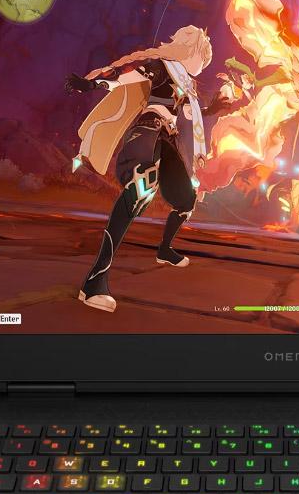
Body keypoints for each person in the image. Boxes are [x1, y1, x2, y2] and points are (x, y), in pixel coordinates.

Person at [65, 25, 232, 312]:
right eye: (203, 59)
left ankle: (164, 250)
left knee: (186, 199)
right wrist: (91, 84)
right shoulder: (161, 67)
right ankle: (94, 281)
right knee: (140, 189)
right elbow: (125, 78)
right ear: (191, 51)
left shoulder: (186, 84)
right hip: (148, 132)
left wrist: (213, 108)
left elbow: (189, 114)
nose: (203, 66)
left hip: (168, 141)